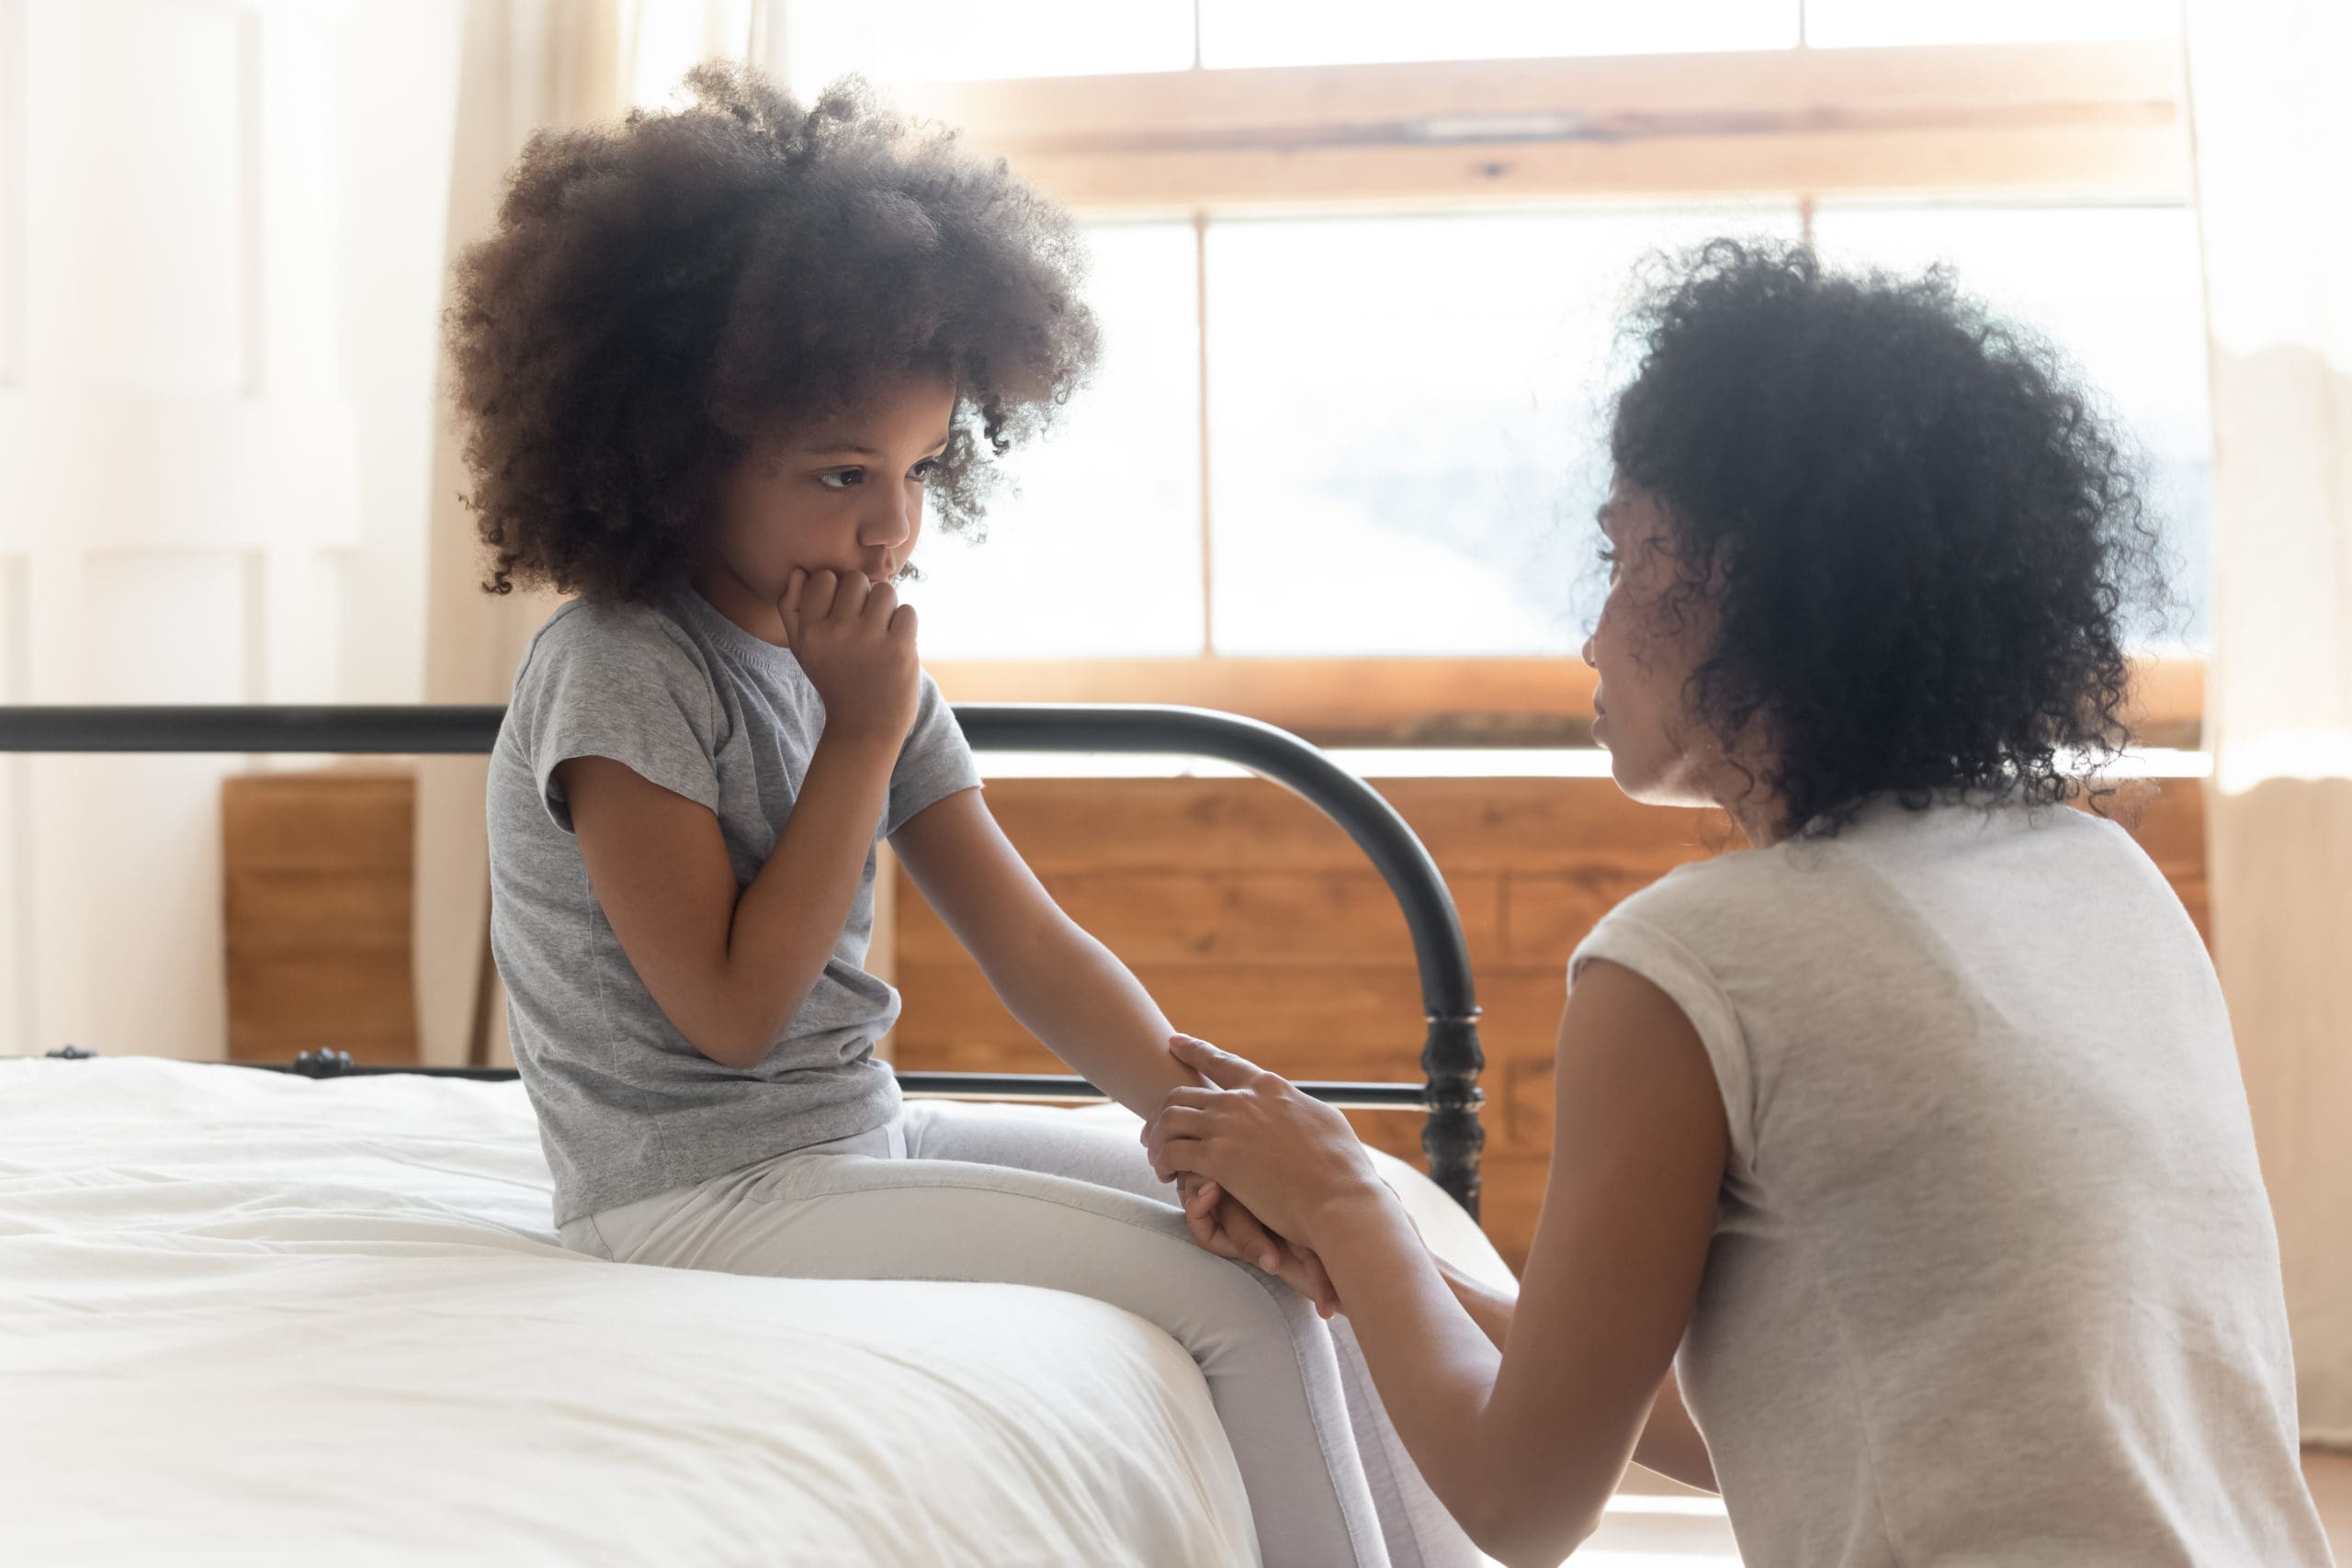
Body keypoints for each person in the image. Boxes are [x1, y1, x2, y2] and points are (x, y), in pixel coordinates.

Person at [1144, 240, 2338, 1568]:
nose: (1592, 632)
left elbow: (1523, 1504)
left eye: (1624, 555)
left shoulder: (1691, 960)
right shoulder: (2098, 876)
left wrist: (1351, 1201)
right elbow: (1847, 1406)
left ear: (1753, 588)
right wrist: (1379, 1269)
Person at [458, 63, 1474, 1568]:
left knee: (1330, 1219)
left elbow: (1030, 940)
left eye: (922, 469)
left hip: (848, 1136)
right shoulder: (623, 671)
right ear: (677, 460)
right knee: (1229, 1295)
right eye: (841, 474)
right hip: (684, 1198)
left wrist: (1200, 1121)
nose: (892, 524)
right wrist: (856, 738)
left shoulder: (857, 649)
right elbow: (734, 1014)